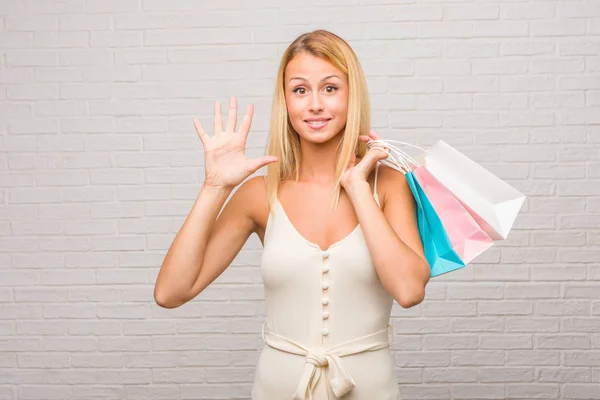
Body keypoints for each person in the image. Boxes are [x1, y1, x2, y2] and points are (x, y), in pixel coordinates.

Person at [154, 29, 430, 400]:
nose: (315, 104)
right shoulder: (259, 195)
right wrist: (215, 186)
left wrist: (359, 189)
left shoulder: (390, 185)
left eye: (330, 88)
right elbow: (171, 293)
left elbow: (410, 291)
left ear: (353, 96)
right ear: (285, 101)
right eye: (300, 90)